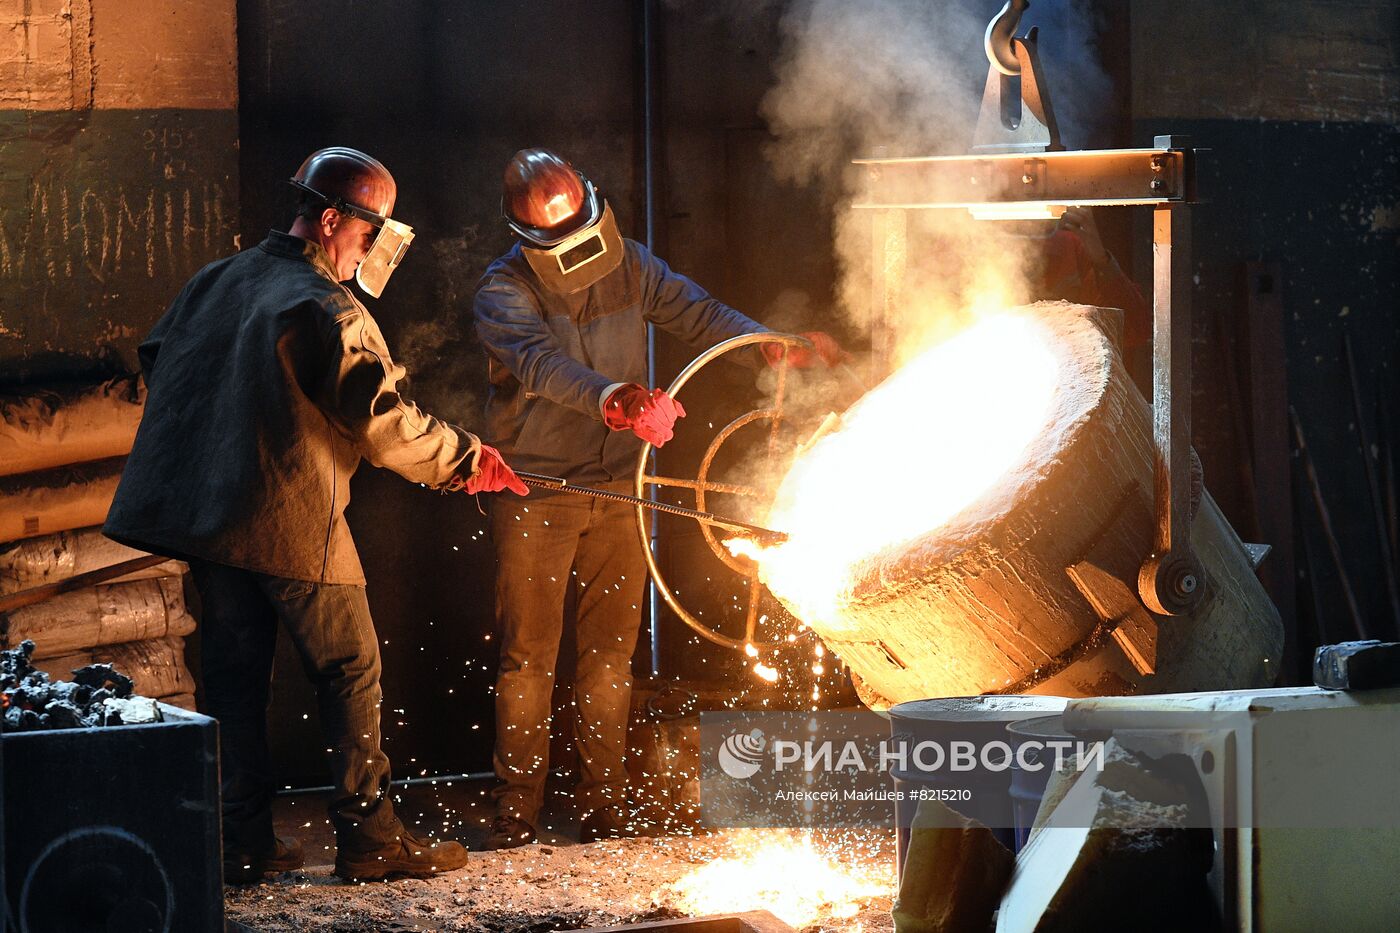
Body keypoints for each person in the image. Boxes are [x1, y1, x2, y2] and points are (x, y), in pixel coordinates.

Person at [105, 147, 527, 883]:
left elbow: (159, 358)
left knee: (233, 679)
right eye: (366, 234)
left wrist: (237, 423)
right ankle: (371, 839)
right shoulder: (328, 308)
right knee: (349, 671)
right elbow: (381, 422)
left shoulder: (218, 279)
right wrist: (464, 458)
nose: (366, 251)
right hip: (290, 519)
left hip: (213, 521)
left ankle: (242, 840)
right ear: (331, 220)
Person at [473, 148, 841, 848]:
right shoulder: (504, 291)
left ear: (594, 204)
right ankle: (515, 811)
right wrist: (617, 397)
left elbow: (697, 314)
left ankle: (603, 805)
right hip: (539, 492)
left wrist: (763, 344)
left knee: (610, 655)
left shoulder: (631, 264)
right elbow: (539, 365)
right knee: (528, 658)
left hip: (621, 487)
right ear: (527, 238)